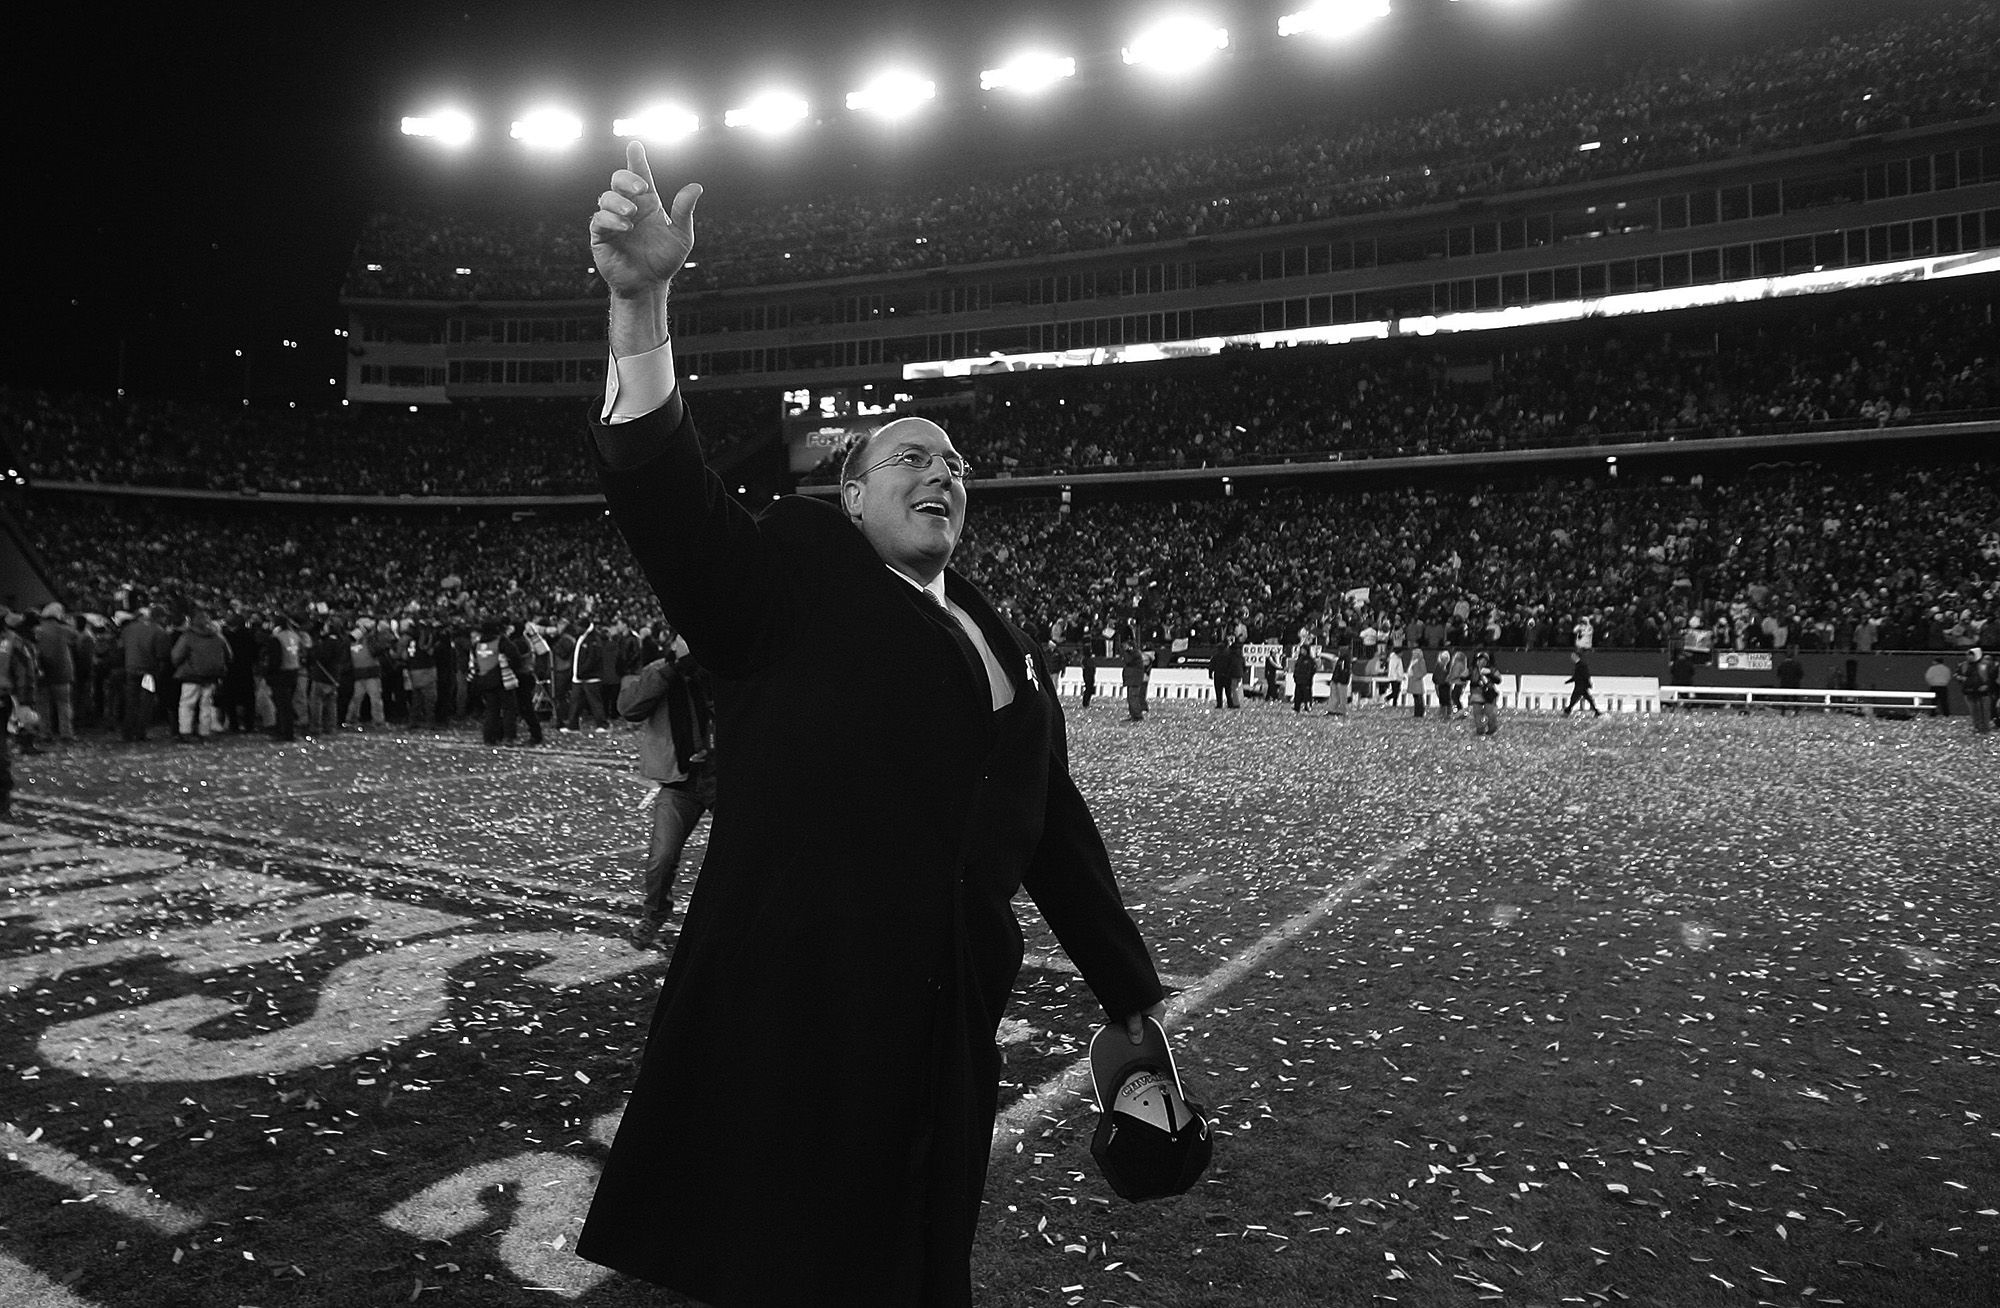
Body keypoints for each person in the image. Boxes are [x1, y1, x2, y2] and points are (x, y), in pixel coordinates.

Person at [577, 142, 1167, 1308]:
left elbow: (1050, 823)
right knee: (780, 1267)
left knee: (914, 1263)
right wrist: (640, 307)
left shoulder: (1001, 637)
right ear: (850, 494)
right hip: (798, 1014)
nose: (941, 472)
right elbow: (670, 505)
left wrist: (1126, 989)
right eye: (910, 457)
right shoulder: (793, 577)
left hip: (943, 1024)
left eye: (955, 463)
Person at [619, 634, 716, 947]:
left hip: (719, 776)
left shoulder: (718, 669)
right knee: (661, 858)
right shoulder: (659, 671)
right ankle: (653, 915)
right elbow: (629, 707)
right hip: (680, 782)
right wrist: (670, 670)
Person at [169, 609, 230, 741]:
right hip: (212, 676)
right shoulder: (218, 637)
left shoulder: (188, 637)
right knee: (206, 704)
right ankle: (204, 731)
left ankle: (186, 731)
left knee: (187, 704)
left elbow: (176, 656)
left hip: (191, 675)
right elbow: (229, 656)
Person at [1955, 646, 1995, 734]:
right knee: (1974, 711)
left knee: (1984, 711)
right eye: (1968, 655)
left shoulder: (1985, 665)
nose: (1969, 657)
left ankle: (1985, 727)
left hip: (1983, 692)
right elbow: (1957, 674)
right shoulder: (1963, 665)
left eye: (1972, 655)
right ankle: (1977, 726)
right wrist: (1959, 678)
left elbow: (1992, 677)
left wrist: (1986, 685)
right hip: (1969, 691)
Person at [1467, 651, 1503, 737]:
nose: (1481, 662)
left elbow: (1498, 680)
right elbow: (1464, 676)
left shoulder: (1492, 669)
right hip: (1476, 693)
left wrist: (1489, 674)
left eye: (1483, 660)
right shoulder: (1473, 670)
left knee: (1489, 712)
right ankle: (1480, 729)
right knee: (1477, 712)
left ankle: (1492, 728)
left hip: (1488, 694)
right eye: (1479, 660)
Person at [1563, 650, 1602, 718]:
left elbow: (1585, 675)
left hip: (1581, 685)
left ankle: (1568, 711)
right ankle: (1596, 711)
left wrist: (1588, 683)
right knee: (1587, 698)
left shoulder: (1582, 665)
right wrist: (1568, 681)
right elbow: (1576, 676)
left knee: (1574, 698)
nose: (1571, 657)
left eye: (1573, 656)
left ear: (1577, 656)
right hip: (1581, 685)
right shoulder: (1578, 665)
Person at [1122, 640, 1151, 721]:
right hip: (1133, 679)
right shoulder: (1135, 654)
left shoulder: (1134, 654)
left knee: (1133, 697)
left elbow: (1128, 661)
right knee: (1131, 697)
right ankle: (1134, 715)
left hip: (1134, 679)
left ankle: (1137, 715)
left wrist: (1125, 652)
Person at [1290, 642, 1317, 713]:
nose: (1302, 651)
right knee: (1297, 695)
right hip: (1298, 680)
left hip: (1306, 681)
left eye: (1303, 650)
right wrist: (1295, 676)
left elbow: (1313, 669)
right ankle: (1296, 708)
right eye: (1301, 649)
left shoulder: (1310, 660)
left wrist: (1308, 677)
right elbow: (1296, 668)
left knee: (1307, 695)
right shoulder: (1300, 659)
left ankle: (1307, 707)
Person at [1406, 645, 1429, 718]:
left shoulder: (1421, 661)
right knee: (1416, 697)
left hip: (1417, 682)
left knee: (1418, 698)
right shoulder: (1413, 661)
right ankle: (1417, 713)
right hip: (1413, 681)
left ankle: (1419, 713)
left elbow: (1424, 671)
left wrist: (1416, 677)